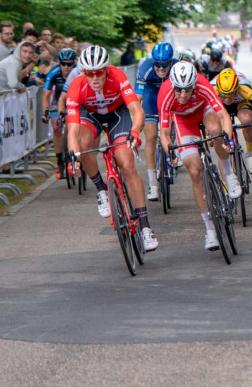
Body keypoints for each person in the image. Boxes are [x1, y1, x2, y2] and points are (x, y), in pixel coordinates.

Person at [66, 45, 158, 251]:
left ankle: (145, 227)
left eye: (99, 72)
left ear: (106, 69)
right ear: (84, 73)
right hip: (91, 115)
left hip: (118, 114)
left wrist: (134, 132)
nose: (95, 77)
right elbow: (72, 130)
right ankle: (101, 190)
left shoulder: (117, 76)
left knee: (126, 164)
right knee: (83, 145)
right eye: (90, 73)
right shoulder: (76, 87)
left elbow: (137, 110)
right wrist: (73, 157)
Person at [157, 61, 242, 250]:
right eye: (179, 90)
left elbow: (223, 115)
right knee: (195, 171)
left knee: (215, 129)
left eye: (187, 90)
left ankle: (229, 175)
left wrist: (227, 138)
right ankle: (210, 228)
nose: (183, 95)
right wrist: (170, 152)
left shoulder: (203, 84)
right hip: (183, 121)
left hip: (204, 111)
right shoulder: (165, 94)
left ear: (194, 84)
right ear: (173, 86)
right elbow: (163, 134)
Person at [135, 42, 177, 201]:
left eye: (164, 65)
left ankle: (174, 151)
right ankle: (153, 184)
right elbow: (137, 98)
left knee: (174, 125)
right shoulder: (145, 67)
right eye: (157, 65)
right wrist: (137, 119)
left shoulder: (177, 67)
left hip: (170, 97)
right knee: (151, 137)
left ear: (170, 62)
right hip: (151, 98)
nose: (160, 68)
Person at [212, 68, 252, 174]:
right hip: (221, 106)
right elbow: (206, 112)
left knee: (246, 120)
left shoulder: (245, 89)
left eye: (231, 94)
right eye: (224, 95)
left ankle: (250, 153)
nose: (228, 100)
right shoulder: (212, 89)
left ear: (237, 89)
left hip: (241, 102)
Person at [42, 48, 77, 179]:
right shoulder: (54, 73)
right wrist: (45, 112)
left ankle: (74, 153)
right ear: (59, 62)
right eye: (63, 63)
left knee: (71, 127)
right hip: (58, 102)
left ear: (74, 62)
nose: (66, 67)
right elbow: (46, 95)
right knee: (56, 128)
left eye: (69, 64)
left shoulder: (79, 71)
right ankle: (59, 163)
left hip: (75, 102)